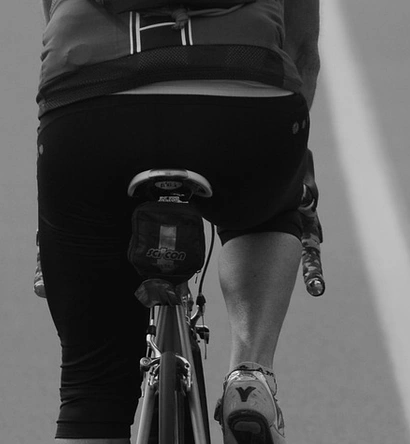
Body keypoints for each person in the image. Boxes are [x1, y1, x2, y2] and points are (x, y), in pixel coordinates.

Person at [35, 1, 321, 443]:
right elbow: (301, 49)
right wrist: (286, 163)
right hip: (246, 98)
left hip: (91, 106)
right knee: (269, 211)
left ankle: (91, 413)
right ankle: (250, 374)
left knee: (90, 392)